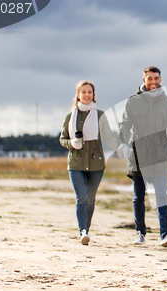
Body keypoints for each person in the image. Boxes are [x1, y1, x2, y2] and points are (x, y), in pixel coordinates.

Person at [117, 66, 167, 247]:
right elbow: (124, 124)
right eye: (150, 78)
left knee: (161, 194)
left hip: (160, 154)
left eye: (156, 78)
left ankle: (165, 234)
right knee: (139, 197)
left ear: (160, 79)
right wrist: (122, 142)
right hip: (138, 154)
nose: (154, 82)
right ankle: (140, 233)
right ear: (144, 79)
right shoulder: (133, 101)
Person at [60, 80, 118, 245]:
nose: (87, 95)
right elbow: (62, 138)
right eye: (83, 92)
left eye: (89, 92)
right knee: (82, 198)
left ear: (93, 95)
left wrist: (120, 148)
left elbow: (108, 137)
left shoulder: (100, 115)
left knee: (90, 199)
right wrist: (72, 143)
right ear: (78, 95)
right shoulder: (70, 117)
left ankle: (87, 229)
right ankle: (82, 231)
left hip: (96, 164)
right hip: (76, 163)